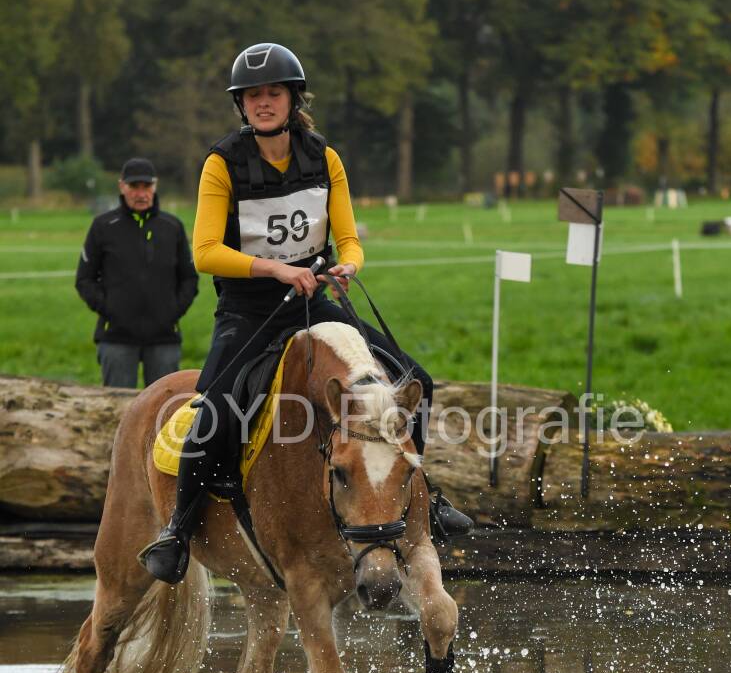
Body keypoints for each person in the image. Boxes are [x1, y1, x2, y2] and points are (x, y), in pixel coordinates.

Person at [140, 42, 472, 584]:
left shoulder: (324, 157)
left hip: (316, 302)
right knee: (214, 412)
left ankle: (423, 499)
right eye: (252, 96)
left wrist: (349, 265)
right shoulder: (222, 163)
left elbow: (348, 238)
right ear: (241, 106)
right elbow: (205, 253)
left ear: (293, 99)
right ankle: (177, 529)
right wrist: (274, 270)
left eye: (273, 93)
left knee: (421, 383)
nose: (263, 103)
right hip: (249, 310)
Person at [76, 158, 199, 388]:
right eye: (134, 187)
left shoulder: (172, 226)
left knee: (163, 412)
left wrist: (171, 312)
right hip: (116, 339)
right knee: (117, 410)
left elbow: (189, 279)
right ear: (122, 186)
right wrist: (111, 309)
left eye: (146, 186)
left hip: (164, 338)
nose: (141, 193)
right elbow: (84, 279)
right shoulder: (103, 226)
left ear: (155, 185)